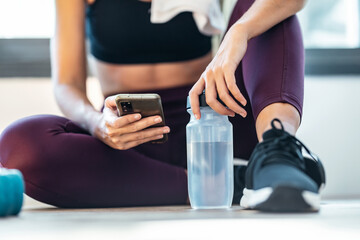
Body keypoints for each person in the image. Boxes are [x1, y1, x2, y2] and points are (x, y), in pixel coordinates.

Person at [0, 0, 325, 212]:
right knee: (21, 145)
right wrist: (97, 124)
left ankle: (277, 151)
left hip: (213, 119)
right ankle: (227, 182)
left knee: (265, 11)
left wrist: (239, 31)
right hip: (132, 142)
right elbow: (67, 83)